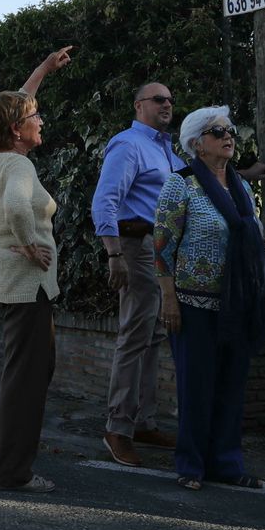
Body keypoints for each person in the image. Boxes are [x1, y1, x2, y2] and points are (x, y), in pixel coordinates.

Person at [0, 46, 74, 493]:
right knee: (28, 380)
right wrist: (29, 244)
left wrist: (43, 71)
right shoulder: (18, 165)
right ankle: (12, 473)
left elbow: (19, 100)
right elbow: (14, 206)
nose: (41, 121)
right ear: (17, 130)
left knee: (29, 369)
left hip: (9, 283)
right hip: (29, 287)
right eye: (36, 118)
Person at [153, 106, 265, 491]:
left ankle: (227, 463)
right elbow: (161, 247)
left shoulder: (239, 186)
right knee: (197, 385)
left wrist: (264, 262)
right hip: (192, 302)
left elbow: (249, 236)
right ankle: (191, 464)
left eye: (230, 130)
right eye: (218, 131)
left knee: (232, 385)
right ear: (196, 144)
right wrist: (168, 299)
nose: (228, 136)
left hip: (236, 301)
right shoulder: (181, 184)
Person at [91, 81, 180, 466]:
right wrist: (114, 254)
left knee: (153, 333)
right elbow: (105, 199)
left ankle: (143, 421)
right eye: (159, 99)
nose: (167, 105)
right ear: (139, 104)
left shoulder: (167, 149)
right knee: (135, 333)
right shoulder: (129, 144)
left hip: (160, 250)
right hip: (135, 245)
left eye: (170, 100)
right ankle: (118, 428)